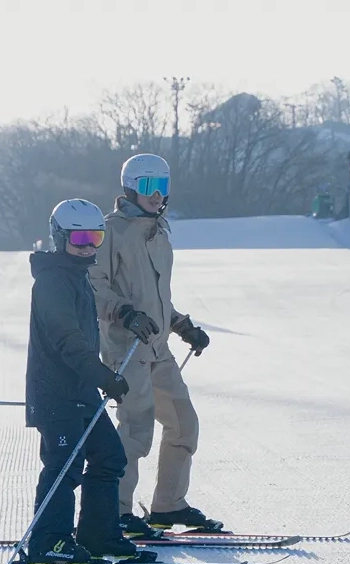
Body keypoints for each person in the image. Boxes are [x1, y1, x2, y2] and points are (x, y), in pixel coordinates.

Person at [17, 199, 157, 564]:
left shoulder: (76, 275)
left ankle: (98, 535)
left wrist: (127, 319)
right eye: (79, 238)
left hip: (80, 390)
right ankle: (48, 543)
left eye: (96, 237)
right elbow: (66, 339)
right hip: (56, 391)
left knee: (110, 457)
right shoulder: (52, 280)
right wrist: (102, 376)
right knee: (64, 466)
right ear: (60, 237)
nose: (88, 246)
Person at [89, 153, 220, 537]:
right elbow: (94, 286)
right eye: (148, 187)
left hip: (157, 346)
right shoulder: (110, 229)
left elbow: (157, 295)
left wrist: (181, 326)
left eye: (162, 187)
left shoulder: (158, 229)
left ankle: (168, 505)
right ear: (130, 186)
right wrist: (125, 314)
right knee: (135, 430)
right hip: (124, 346)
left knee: (183, 424)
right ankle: (116, 512)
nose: (156, 195)